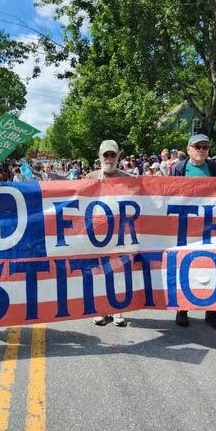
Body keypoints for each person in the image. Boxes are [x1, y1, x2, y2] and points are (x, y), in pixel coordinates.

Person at [171, 133, 216, 331]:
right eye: (197, 147)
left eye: (205, 147)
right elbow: (169, 195)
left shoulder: (215, 168)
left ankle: (212, 312)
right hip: (186, 225)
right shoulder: (178, 168)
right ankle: (182, 308)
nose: (201, 150)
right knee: (186, 265)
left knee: (213, 265)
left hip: (212, 226)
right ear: (188, 149)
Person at [86, 140, 128, 326]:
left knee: (119, 271)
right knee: (100, 271)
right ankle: (101, 309)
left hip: (120, 233)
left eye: (113, 155)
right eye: (106, 155)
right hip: (97, 234)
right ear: (100, 156)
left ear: (118, 156)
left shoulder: (129, 179)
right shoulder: (90, 177)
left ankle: (118, 309)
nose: (109, 158)